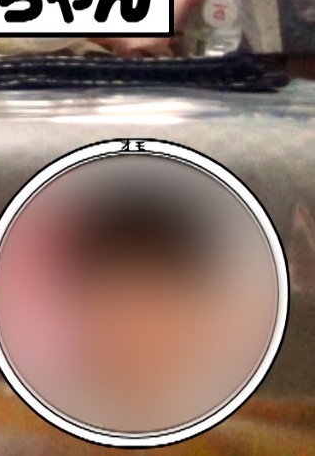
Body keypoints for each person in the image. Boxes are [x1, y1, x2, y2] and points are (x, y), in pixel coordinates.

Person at [52, 165, 242, 433]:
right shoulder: (46, 414)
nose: (136, 332)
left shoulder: (230, 419)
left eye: (155, 308)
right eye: (119, 309)